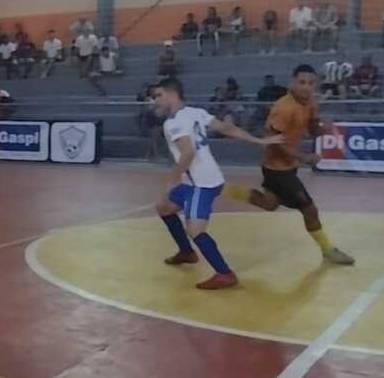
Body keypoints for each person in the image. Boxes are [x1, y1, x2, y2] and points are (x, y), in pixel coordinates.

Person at [152, 77, 283, 290]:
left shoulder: (173, 122)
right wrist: (260, 141)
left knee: (196, 230)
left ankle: (225, 273)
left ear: (172, 94)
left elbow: (188, 153)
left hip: (199, 184)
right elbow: (228, 129)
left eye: (158, 95)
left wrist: (172, 179)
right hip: (206, 177)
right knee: (164, 207)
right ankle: (187, 252)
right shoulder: (196, 112)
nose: (155, 100)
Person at [224, 65, 355, 266]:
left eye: (311, 83)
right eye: (302, 82)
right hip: (276, 168)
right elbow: (276, 142)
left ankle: (225, 190)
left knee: (270, 203)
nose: (306, 87)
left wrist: (324, 129)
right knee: (309, 209)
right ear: (292, 83)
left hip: (288, 165)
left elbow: (311, 129)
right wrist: (304, 157)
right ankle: (328, 250)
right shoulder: (283, 108)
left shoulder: (311, 102)